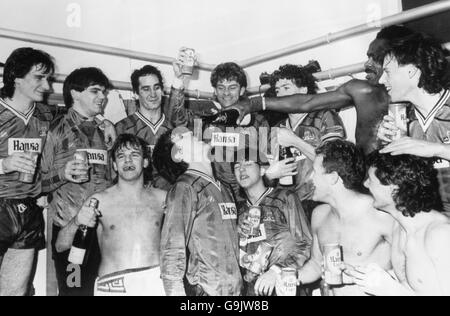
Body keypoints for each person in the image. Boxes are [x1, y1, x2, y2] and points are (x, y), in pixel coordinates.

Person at [227, 25, 415, 155]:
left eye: (375, 57)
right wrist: (252, 103)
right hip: (370, 181)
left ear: (397, 56)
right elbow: (307, 102)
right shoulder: (362, 90)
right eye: (368, 57)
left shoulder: (427, 95)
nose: (367, 63)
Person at [41, 67, 114, 296]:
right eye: (95, 91)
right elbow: (36, 184)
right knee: (75, 293)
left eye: (104, 92)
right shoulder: (54, 130)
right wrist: (62, 174)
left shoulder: (105, 132)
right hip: (69, 229)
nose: (102, 97)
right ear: (75, 93)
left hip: (104, 231)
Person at [296, 140, 394, 296]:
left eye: (314, 171)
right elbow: (316, 264)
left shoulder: (381, 214)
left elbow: (408, 271)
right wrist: (290, 277)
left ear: (333, 177)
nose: (309, 179)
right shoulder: (319, 215)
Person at [73, 134, 166, 296]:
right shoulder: (98, 201)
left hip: (154, 281)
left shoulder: (162, 198)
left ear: (145, 162)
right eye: (121, 156)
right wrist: (77, 221)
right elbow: (61, 245)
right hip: (114, 284)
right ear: (115, 165)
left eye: (134, 155)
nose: (128, 161)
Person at [153, 129, 242, 296]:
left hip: (234, 291)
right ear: (178, 154)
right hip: (206, 291)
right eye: (182, 137)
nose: (191, 133)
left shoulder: (224, 187)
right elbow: (172, 252)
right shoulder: (184, 188)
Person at [168, 61, 270, 201]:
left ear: (241, 90)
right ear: (215, 91)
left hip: (249, 198)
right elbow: (176, 119)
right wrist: (178, 79)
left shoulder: (258, 122)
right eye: (221, 87)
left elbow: (266, 164)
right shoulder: (206, 118)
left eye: (232, 87)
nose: (226, 93)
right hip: (214, 197)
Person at [351, 152, 450, 296]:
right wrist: (361, 275)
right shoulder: (398, 226)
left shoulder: (440, 235)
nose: (365, 184)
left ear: (393, 188)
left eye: (371, 179)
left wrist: (392, 291)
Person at [0, 47, 54, 296]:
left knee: (15, 293)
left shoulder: (44, 115)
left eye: (48, 79)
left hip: (27, 211)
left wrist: (103, 122)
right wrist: (4, 164)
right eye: (39, 77)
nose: (47, 86)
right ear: (16, 77)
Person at [376, 32, 450, 213]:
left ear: (411, 71)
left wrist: (436, 149)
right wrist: (386, 149)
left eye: (387, 72)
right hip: (433, 221)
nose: (381, 80)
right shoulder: (402, 119)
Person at [268, 64, 346, 219]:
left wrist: (295, 141)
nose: (280, 95)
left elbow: (336, 163)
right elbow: (267, 175)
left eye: (286, 88)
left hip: (320, 201)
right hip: (287, 207)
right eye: (277, 91)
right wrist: (270, 174)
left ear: (303, 90)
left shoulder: (325, 116)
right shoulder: (276, 129)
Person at [234, 146, 311, 296]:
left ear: (263, 170)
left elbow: (306, 243)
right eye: (237, 166)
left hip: (285, 285)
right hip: (253, 291)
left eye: (248, 164)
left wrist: (276, 271)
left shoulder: (285, 198)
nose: (242, 170)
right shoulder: (239, 209)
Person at [115, 65, 173, 190]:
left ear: (162, 91)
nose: (153, 94)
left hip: (169, 200)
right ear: (136, 94)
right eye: (146, 89)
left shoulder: (174, 129)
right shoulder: (122, 128)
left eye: (156, 88)